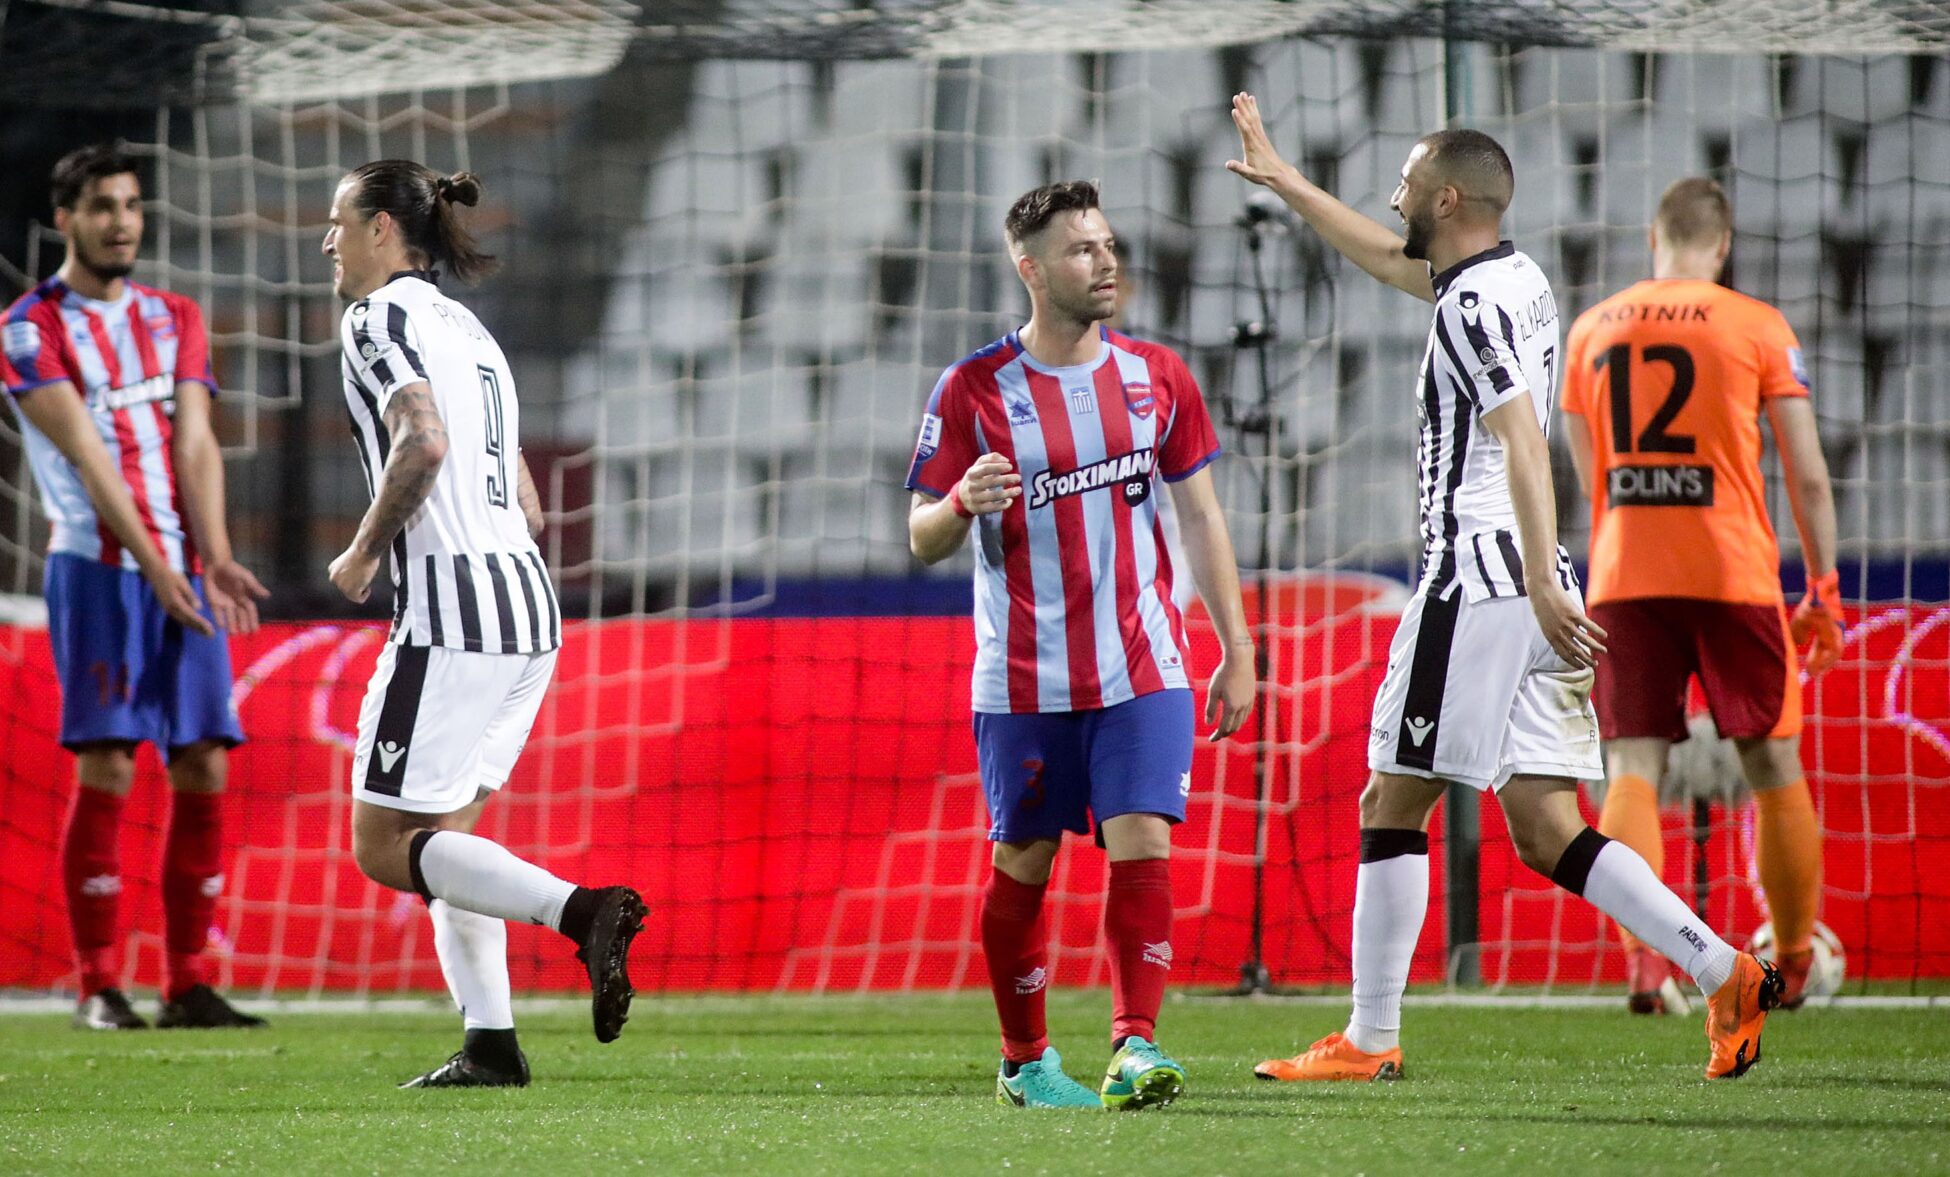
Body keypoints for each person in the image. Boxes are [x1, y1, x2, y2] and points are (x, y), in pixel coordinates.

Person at [1224, 93, 1784, 1081]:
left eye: (1406, 183)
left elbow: (1524, 440)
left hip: (1481, 578)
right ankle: (1722, 969)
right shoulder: (1512, 279)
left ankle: (1370, 1037)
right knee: (1546, 826)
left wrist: (1532, 577)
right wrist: (1288, 182)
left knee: (1390, 798)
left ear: (1446, 198)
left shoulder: (1469, 306)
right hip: (1531, 580)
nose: (1393, 197)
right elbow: (1390, 260)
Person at [906, 180, 1257, 1111]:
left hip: (1144, 662)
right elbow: (920, 536)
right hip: (1024, 677)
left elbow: (1201, 515)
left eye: (1106, 244)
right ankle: (1025, 1061)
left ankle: (1135, 1046)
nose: (1105, 262)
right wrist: (958, 503)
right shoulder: (973, 388)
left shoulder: (1157, 376)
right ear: (1031, 269)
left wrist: (1238, 644)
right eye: (1081, 249)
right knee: (1024, 861)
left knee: (1144, 840)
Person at [322, 159, 645, 1087]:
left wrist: (364, 549)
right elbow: (529, 503)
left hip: (452, 609)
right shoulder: (471, 331)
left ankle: (585, 912)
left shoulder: (376, 319)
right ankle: (491, 1044)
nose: (329, 241)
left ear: (383, 228)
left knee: (383, 847)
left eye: (339, 221)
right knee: (444, 842)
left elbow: (423, 440)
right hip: (528, 606)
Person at [1, 144, 270, 1031]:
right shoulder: (28, 328)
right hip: (99, 570)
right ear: (66, 219)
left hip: (184, 570)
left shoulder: (174, 315)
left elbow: (195, 442)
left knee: (204, 758)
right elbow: (88, 454)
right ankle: (98, 984)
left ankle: (187, 982)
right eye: (101, 206)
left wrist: (213, 555)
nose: (121, 221)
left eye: (130, 204)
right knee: (110, 760)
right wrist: (156, 568)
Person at [1562, 177, 1840, 1013]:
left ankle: (1647, 967)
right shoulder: (1756, 324)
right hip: (1731, 570)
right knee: (1772, 760)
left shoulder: (1591, 329)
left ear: (1654, 237)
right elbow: (1807, 474)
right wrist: (1823, 584)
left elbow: (1587, 475)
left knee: (1632, 765)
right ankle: (1792, 962)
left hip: (1624, 572)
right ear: (1723, 245)